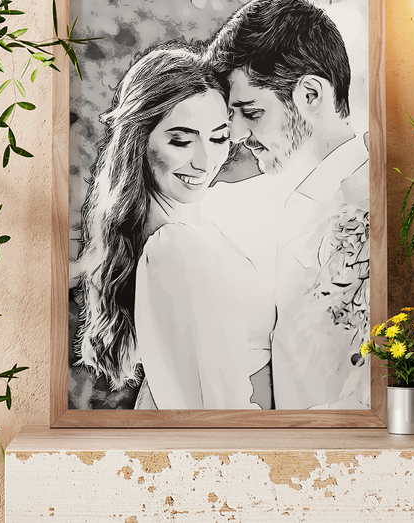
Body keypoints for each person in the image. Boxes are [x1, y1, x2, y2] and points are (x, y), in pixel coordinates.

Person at [75, 42, 272, 410]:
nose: (205, 161)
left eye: (218, 138)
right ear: (139, 141)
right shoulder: (175, 248)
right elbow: (214, 414)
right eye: (181, 140)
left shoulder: (195, 226)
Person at [204, 0, 371, 410]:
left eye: (251, 112)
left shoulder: (372, 198)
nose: (237, 134)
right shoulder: (273, 203)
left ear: (310, 94)